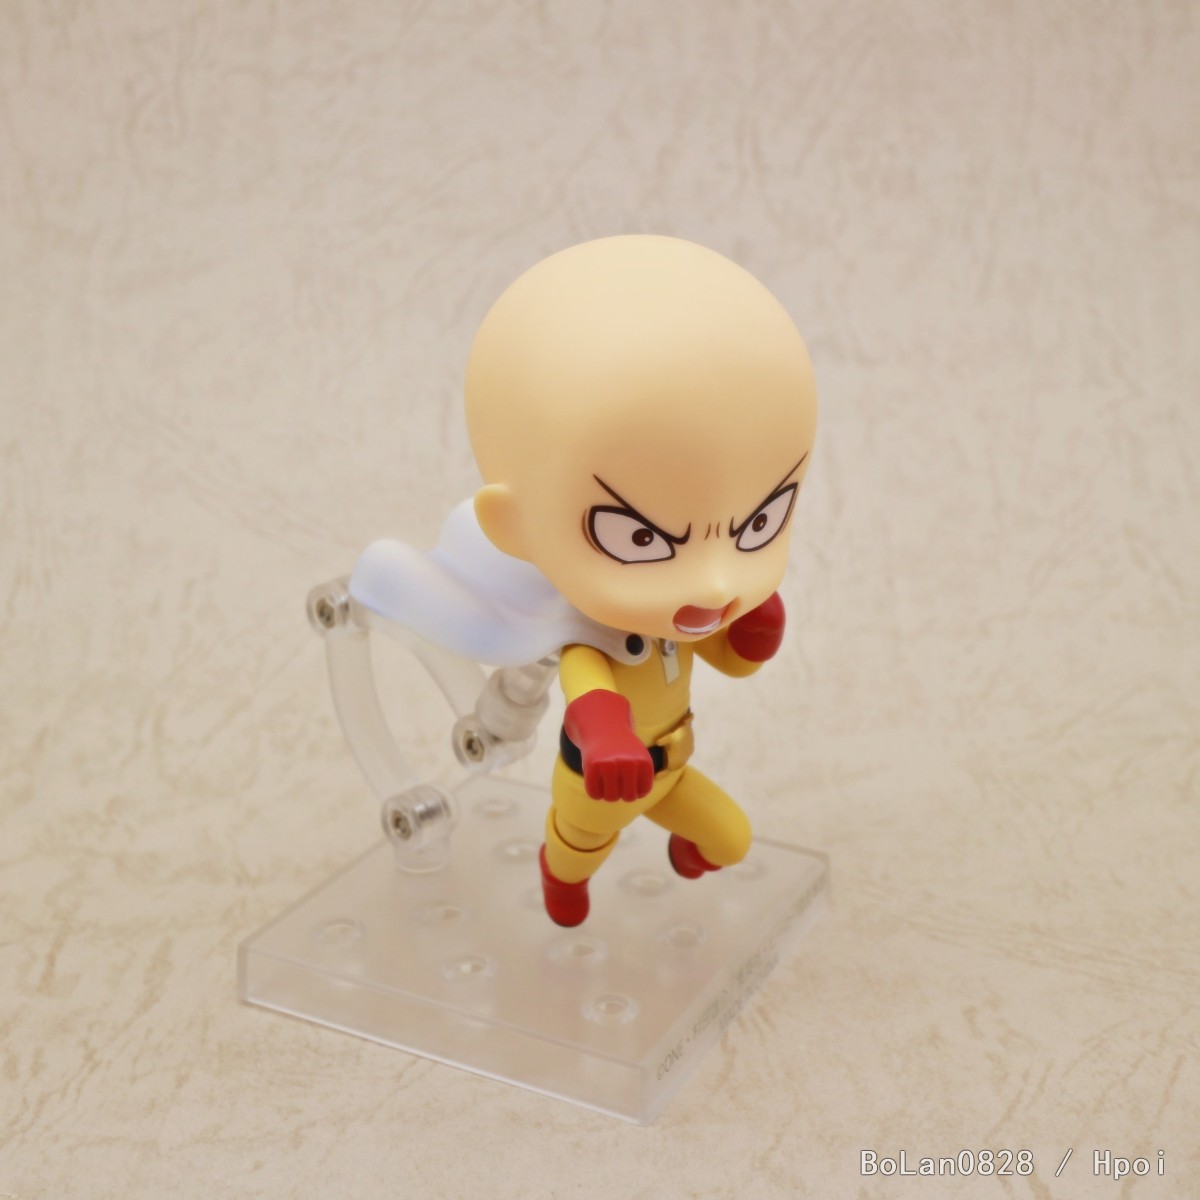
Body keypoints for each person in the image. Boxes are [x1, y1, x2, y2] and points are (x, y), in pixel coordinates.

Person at [463, 235, 818, 926]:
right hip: (600, 786)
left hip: (673, 768)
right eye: (640, 538)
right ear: (515, 524)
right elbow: (591, 695)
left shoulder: (690, 612)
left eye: (759, 523)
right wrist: (607, 740)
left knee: (732, 839)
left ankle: (687, 852)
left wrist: (752, 635)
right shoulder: (589, 637)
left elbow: (731, 661)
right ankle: (558, 872)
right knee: (579, 854)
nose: (714, 583)